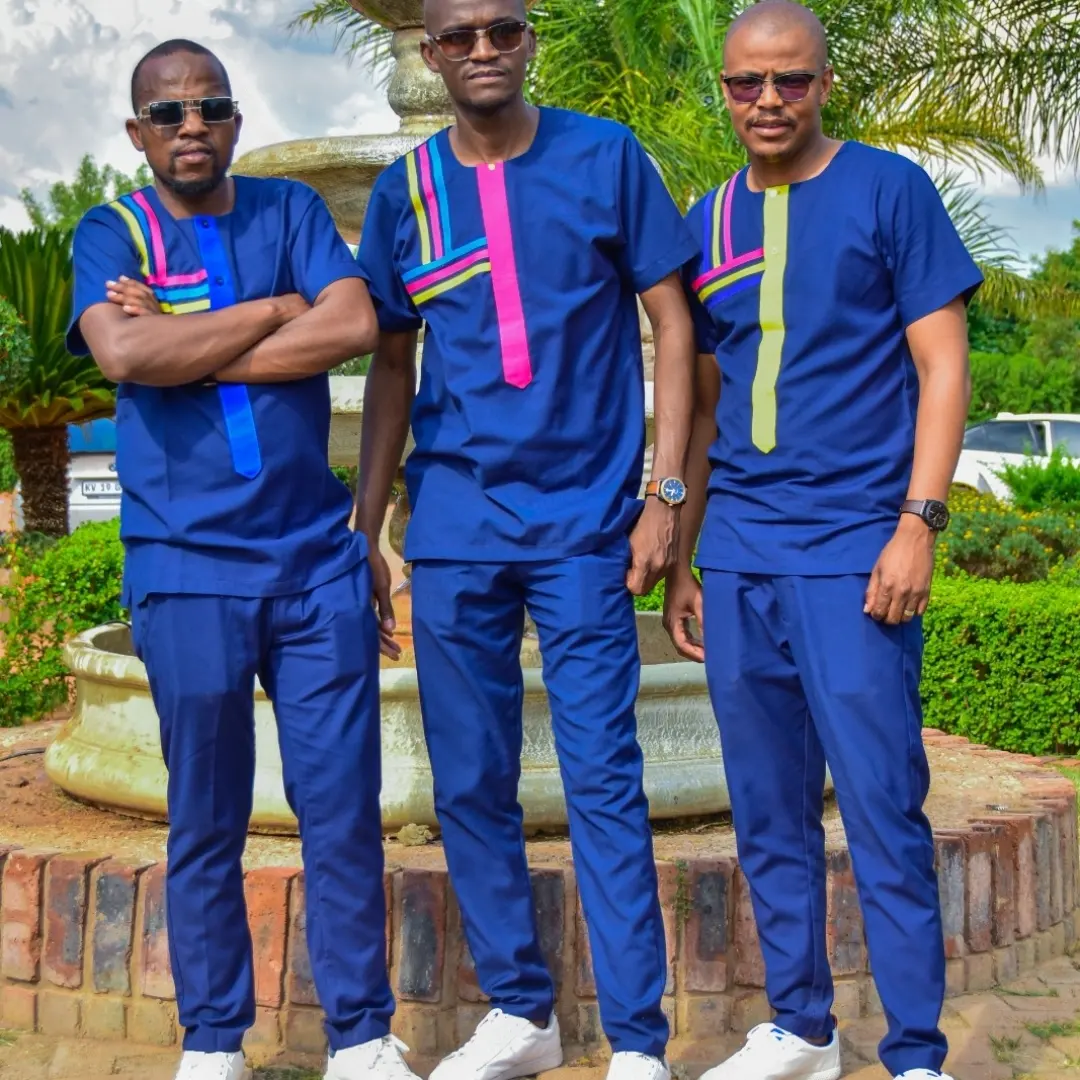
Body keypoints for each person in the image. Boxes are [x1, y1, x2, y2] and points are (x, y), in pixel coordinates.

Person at [353, 1, 699, 1078]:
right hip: (455, 522)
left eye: (502, 29)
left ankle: (638, 1040)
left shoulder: (605, 157)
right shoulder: (405, 192)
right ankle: (521, 1010)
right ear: (430, 54)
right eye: (459, 36)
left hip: (586, 524)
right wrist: (367, 528)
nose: (482, 50)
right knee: (469, 780)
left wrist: (665, 494)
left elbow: (674, 320)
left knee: (602, 774)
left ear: (529, 39)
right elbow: (391, 364)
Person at [66, 39, 418, 1080]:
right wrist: (272, 309)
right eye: (168, 113)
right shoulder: (112, 230)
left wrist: (190, 339)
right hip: (186, 567)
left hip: (314, 562)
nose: (192, 126)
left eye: (210, 108)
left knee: (341, 812)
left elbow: (352, 322)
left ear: (234, 122)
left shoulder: (291, 211)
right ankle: (213, 1040)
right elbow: (124, 353)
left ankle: (361, 1037)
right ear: (138, 133)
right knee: (205, 816)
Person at [664, 3, 983, 1079]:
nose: (769, 101)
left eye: (790, 80)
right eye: (748, 83)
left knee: (884, 804)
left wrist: (918, 523)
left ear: (824, 84)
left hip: (855, 548)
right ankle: (800, 1028)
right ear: (725, 89)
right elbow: (707, 406)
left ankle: (916, 1053)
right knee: (767, 811)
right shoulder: (708, 219)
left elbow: (944, 365)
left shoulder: (889, 190)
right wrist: (688, 558)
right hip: (740, 551)